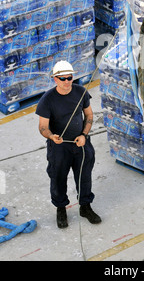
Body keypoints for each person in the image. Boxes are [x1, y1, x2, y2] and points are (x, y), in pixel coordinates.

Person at [36, 60, 101, 229]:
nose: (66, 82)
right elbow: (43, 127)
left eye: (69, 78)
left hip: (81, 143)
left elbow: (89, 116)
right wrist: (51, 136)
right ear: (55, 79)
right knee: (58, 178)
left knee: (84, 176)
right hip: (59, 146)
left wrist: (84, 135)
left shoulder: (81, 92)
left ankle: (85, 207)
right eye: (62, 78)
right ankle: (61, 208)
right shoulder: (47, 99)